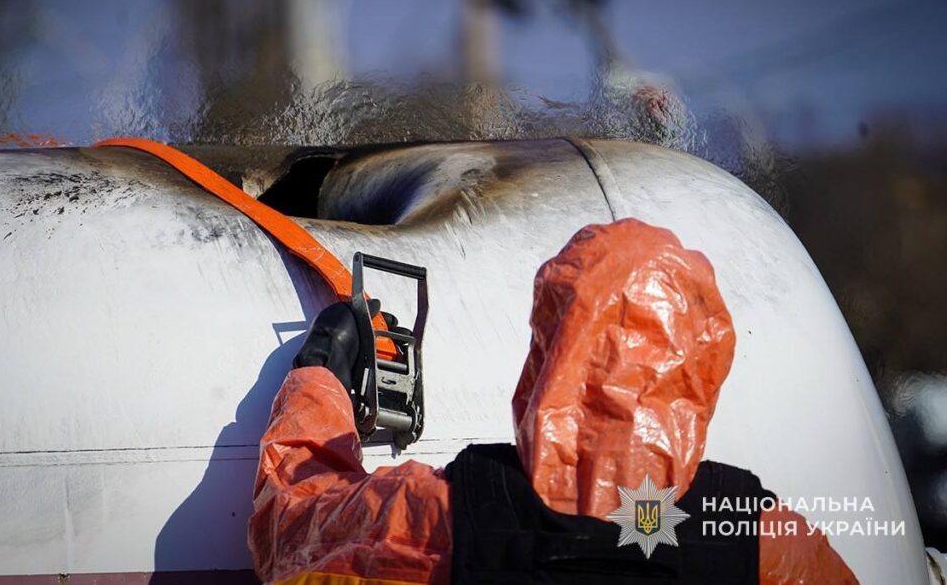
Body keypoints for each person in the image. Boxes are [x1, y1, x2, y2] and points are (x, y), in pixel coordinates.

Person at [247, 219, 857, 584]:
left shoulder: (443, 517)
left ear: (548, 353)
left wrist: (321, 371)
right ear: (704, 367)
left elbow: (289, 528)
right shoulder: (764, 541)